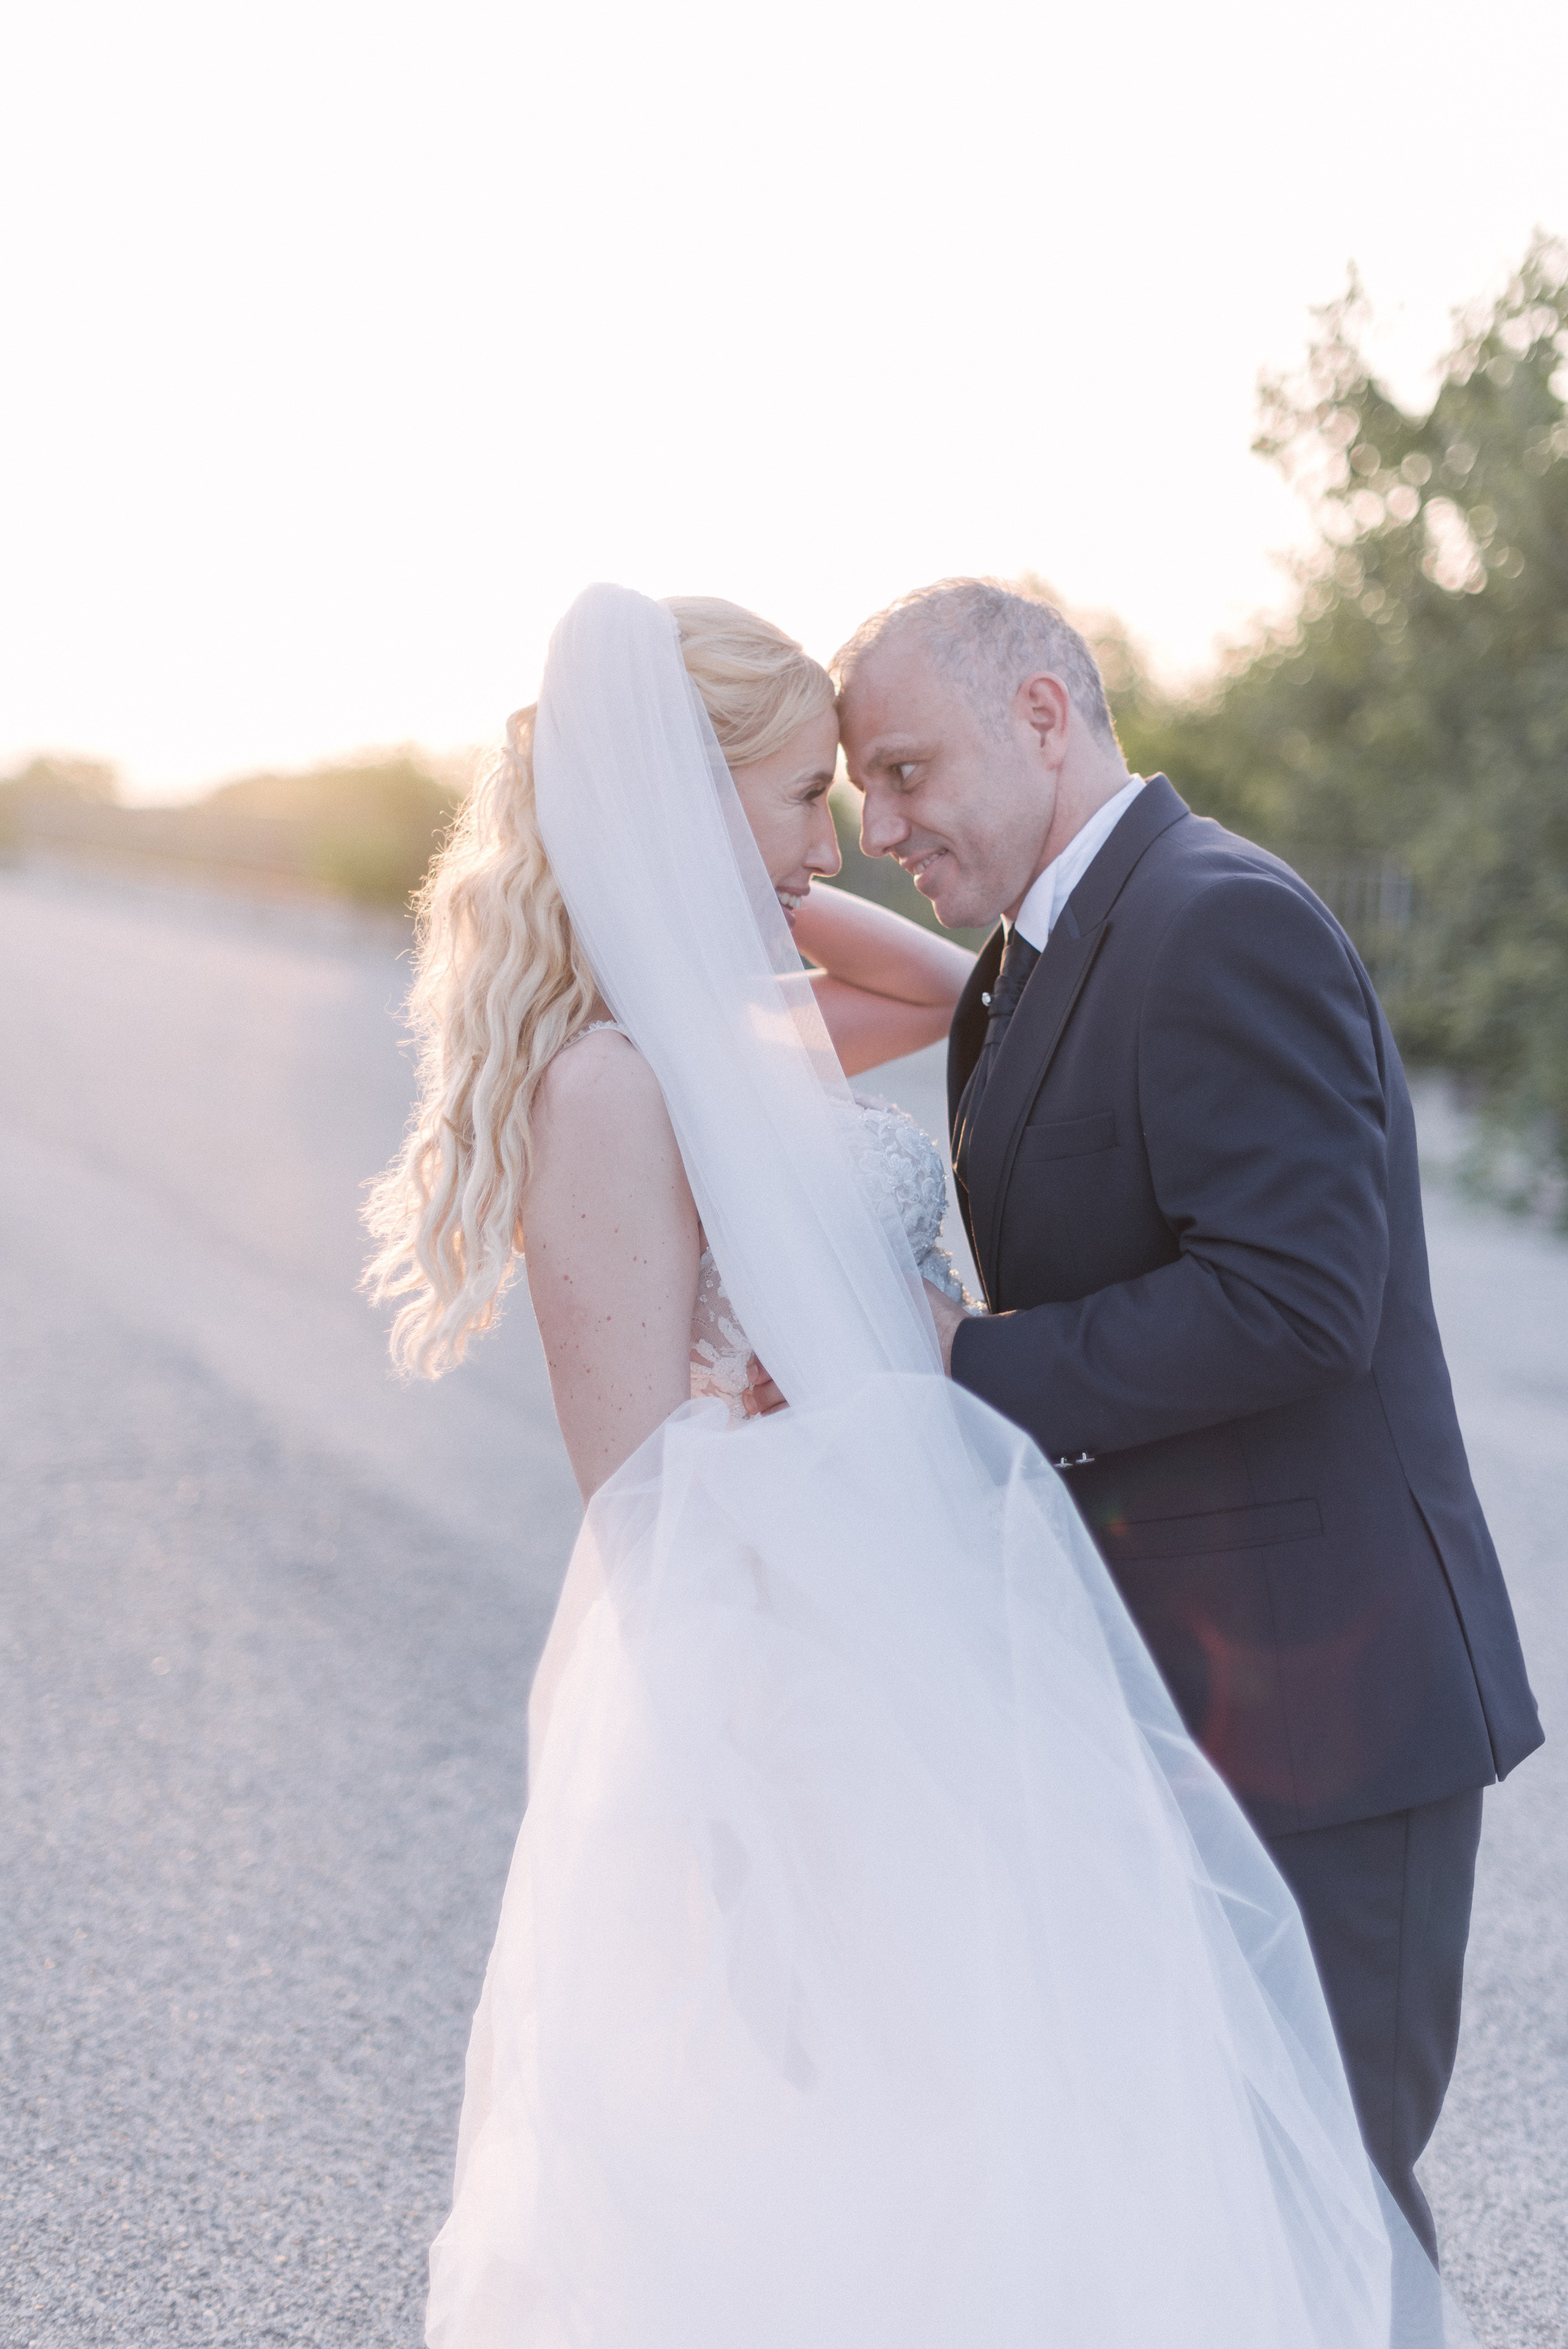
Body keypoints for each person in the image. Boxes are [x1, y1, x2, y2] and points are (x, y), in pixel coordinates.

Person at [366, 584, 1472, 2347]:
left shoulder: (745, 1050)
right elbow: (642, 1510)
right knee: (965, 2171)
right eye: (814, 796)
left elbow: (982, 1002)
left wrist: (740, 870)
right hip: (826, 1711)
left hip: (990, 1668)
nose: (851, 841)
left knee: (1151, 2175)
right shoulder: (613, 1096)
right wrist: (753, 1825)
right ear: (690, 796)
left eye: (869, 781)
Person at [836, 575, 1544, 2268]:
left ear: (1042, 714)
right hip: (1170, 1695)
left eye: (906, 772)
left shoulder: (1224, 917)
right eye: (857, 788)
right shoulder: (1024, 965)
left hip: (1333, 1706)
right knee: (1200, 2205)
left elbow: (1300, 1301)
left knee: (1328, 2214)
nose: (879, 827)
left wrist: (962, 1361)